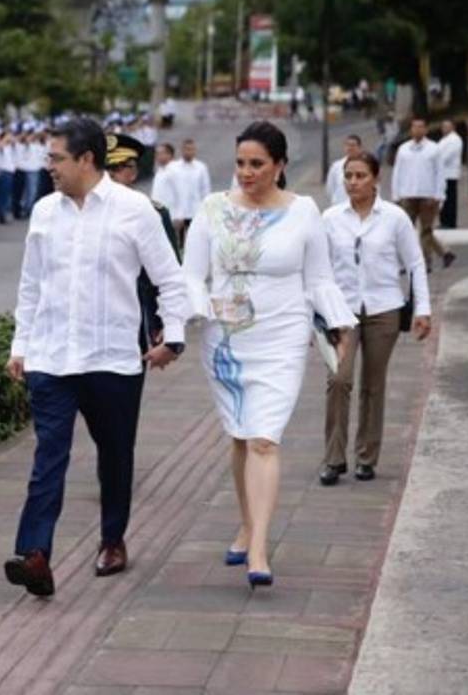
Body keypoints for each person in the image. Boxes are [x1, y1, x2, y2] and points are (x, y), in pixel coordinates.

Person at [4, 118, 189, 597]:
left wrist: (174, 337)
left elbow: (169, 278)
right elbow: (31, 285)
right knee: (48, 457)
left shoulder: (135, 210)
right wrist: (21, 346)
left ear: (86, 159)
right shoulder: (45, 211)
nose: (49, 166)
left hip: (112, 360)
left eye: (56, 158)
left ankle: (112, 539)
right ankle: (34, 554)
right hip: (51, 358)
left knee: (115, 455)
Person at [181, 121, 355, 587]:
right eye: (241, 163)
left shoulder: (303, 211)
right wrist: (194, 313)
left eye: (257, 164)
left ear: (279, 166)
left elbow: (319, 278)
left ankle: (258, 548)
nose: (246, 172)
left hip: (282, 337)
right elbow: (191, 275)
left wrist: (339, 324)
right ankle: (246, 525)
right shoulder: (212, 209)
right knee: (241, 435)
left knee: (264, 438)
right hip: (227, 342)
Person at [320, 152, 431, 486]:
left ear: (376, 179)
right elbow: (318, 270)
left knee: (373, 383)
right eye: (348, 176)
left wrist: (423, 309)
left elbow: (415, 263)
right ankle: (334, 458)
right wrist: (315, 313)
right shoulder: (330, 218)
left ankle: (366, 457)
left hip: (384, 309)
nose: (353, 182)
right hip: (342, 311)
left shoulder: (394, 218)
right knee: (339, 379)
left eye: (360, 176)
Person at [105, 132, 180, 353]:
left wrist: (165, 323)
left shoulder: (153, 212)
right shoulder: (84, 212)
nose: (111, 175)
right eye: (106, 169)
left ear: (133, 172)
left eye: (118, 168)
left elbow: (168, 275)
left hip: (136, 310)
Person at [391, 117, 454, 271]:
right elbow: (397, 172)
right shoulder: (404, 149)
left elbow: (440, 173)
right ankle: (409, 261)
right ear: (411, 129)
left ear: (425, 129)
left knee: (426, 231)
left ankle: (426, 263)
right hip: (407, 194)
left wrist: (439, 195)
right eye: (415, 127)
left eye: (421, 127)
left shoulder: (433, 149)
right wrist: (396, 194)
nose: (417, 130)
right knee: (404, 232)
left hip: (428, 195)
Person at [171, 139, 211, 240]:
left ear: (195, 151)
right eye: (187, 149)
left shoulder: (201, 167)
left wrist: (206, 210)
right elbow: (171, 191)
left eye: (191, 149)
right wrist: (174, 212)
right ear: (182, 150)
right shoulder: (173, 168)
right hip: (178, 211)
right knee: (179, 241)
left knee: (195, 239)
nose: (189, 152)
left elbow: (205, 189)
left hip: (195, 210)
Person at [436, 120, 464, 229]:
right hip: (443, 174)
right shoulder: (444, 139)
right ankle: (444, 220)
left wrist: (435, 162)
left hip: (450, 174)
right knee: (443, 199)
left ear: (453, 127)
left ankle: (450, 222)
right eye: (443, 126)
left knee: (450, 199)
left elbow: (446, 156)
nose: (444, 128)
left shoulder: (455, 139)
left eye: (447, 126)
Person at [325, 135, 363, 207]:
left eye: (353, 145)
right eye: (347, 145)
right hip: (339, 205)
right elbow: (330, 188)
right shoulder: (336, 166)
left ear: (360, 147)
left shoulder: (366, 165)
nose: (350, 148)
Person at [150, 142, 179, 222]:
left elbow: (182, 194)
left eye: (161, 153)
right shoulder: (160, 171)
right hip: (159, 214)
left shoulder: (176, 171)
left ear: (170, 155)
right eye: (157, 154)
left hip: (173, 215)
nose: (158, 156)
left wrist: (178, 216)